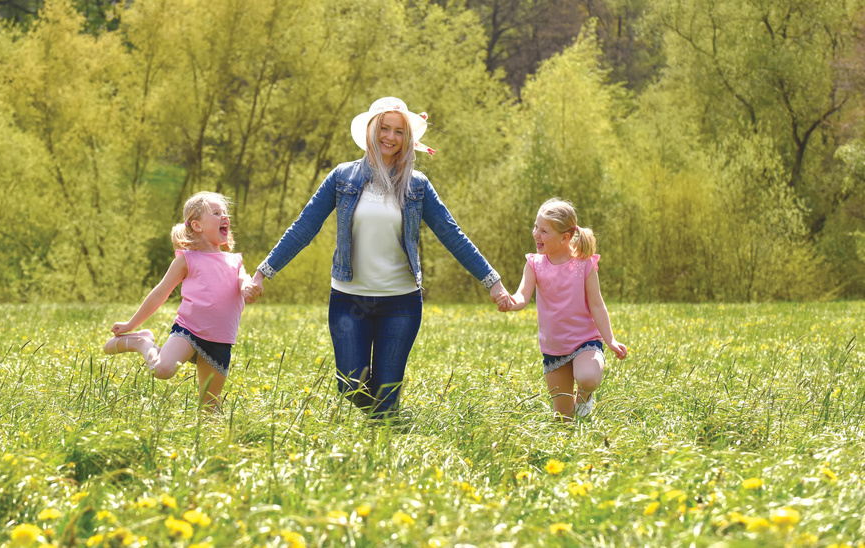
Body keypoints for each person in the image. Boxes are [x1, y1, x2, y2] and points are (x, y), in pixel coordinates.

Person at [243, 96, 510, 418]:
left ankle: (385, 439)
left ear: (408, 138)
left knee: (385, 398)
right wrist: (262, 273)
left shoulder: (417, 185)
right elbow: (304, 227)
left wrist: (492, 282)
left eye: (399, 131)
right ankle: (383, 424)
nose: (391, 137)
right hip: (348, 299)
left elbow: (452, 235)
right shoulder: (342, 177)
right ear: (371, 130)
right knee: (349, 384)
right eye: (385, 128)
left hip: (401, 302)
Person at [103, 192, 257, 410]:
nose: (224, 217)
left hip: (221, 341)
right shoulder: (187, 259)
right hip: (189, 331)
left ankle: (210, 440)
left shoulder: (235, 261)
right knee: (162, 370)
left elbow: (244, 282)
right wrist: (130, 325)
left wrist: (248, 288)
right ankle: (142, 342)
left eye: (225, 213)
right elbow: (160, 293)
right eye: (216, 213)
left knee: (210, 403)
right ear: (197, 225)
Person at [497, 198, 628, 420]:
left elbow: (597, 303)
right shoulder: (534, 264)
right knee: (563, 418)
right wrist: (510, 302)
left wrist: (611, 340)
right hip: (554, 347)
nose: (536, 233)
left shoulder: (583, 263)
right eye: (536, 226)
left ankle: (585, 395)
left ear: (565, 237)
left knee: (588, 378)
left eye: (544, 231)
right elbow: (522, 296)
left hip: (585, 340)